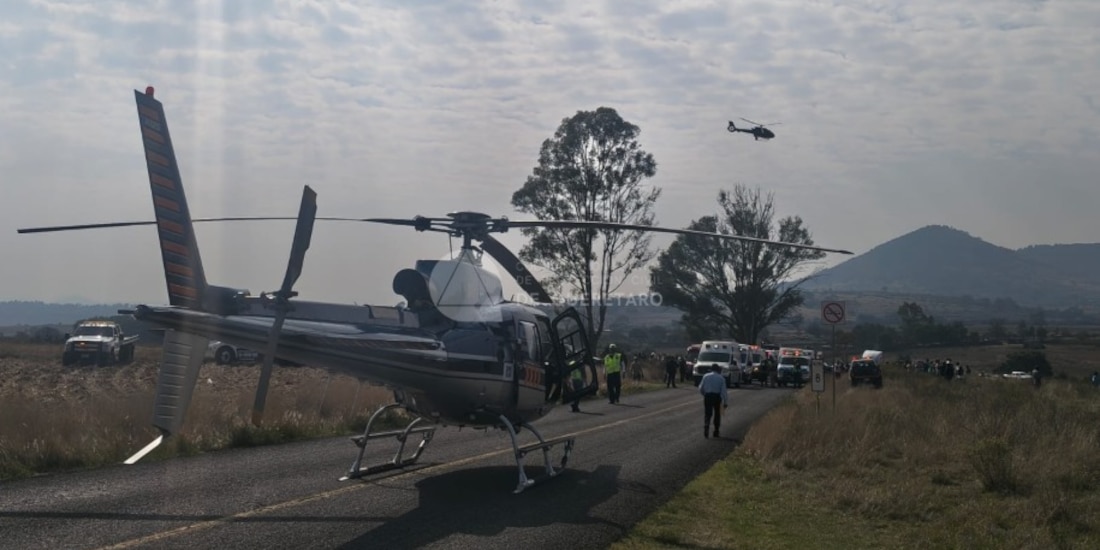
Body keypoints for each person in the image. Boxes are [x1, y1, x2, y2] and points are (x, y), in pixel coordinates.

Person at [698, 363, 728, 438]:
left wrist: (704, 394)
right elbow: (724, 391)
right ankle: (716, 431)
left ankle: (706, 425)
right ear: (718, 370)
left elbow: (701, 388)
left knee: (708, 413)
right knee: (717, 414)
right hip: (717, 396)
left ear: (711, 369)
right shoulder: (721, 378)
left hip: (708, 396)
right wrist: (725, 402)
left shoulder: (706, 376)